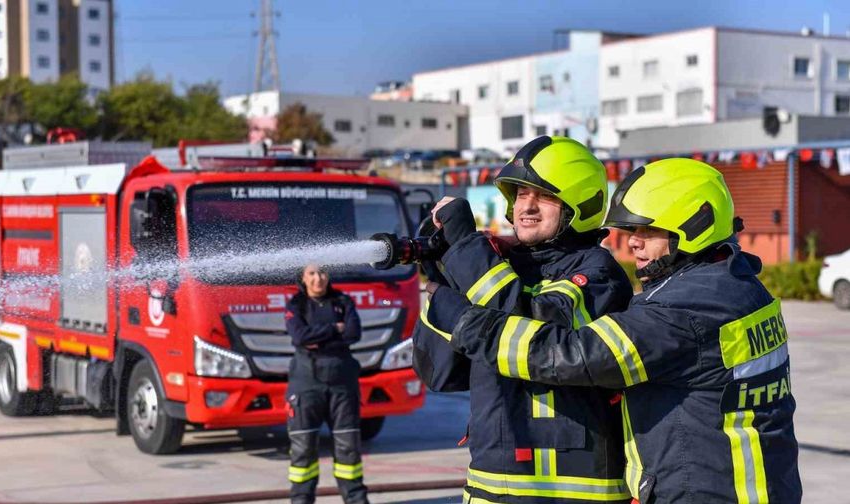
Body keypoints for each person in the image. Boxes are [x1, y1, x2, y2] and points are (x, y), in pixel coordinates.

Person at [428, 158, 802, 503]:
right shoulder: (737, 286)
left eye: (648, 229)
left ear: (695, 226)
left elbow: (564, 355)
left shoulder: (683, 310)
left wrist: (463, 318)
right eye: (631, 229)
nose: (633, 241)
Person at [415, 136, 634, 503]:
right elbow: (440, 373)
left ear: (579, 204)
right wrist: (443, 276)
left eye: (543, 196)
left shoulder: (599, 275)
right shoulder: (496, 272)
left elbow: (533, 331)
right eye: (519, 194)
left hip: (576, 493)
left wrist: (467, 251)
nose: (526, 206)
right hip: (490, 487)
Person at [285, 264, 369, 504]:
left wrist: (317, 337)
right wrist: (334, 329)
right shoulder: (296, 305)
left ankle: (356, 499)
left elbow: (353, 333)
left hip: (343, 386)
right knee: (303, 450)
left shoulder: (342, 301)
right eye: (311, 273)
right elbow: (299, 336)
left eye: (322, 273)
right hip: (305, 387)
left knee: (349, 450)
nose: (317, 279)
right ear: (302, 277)